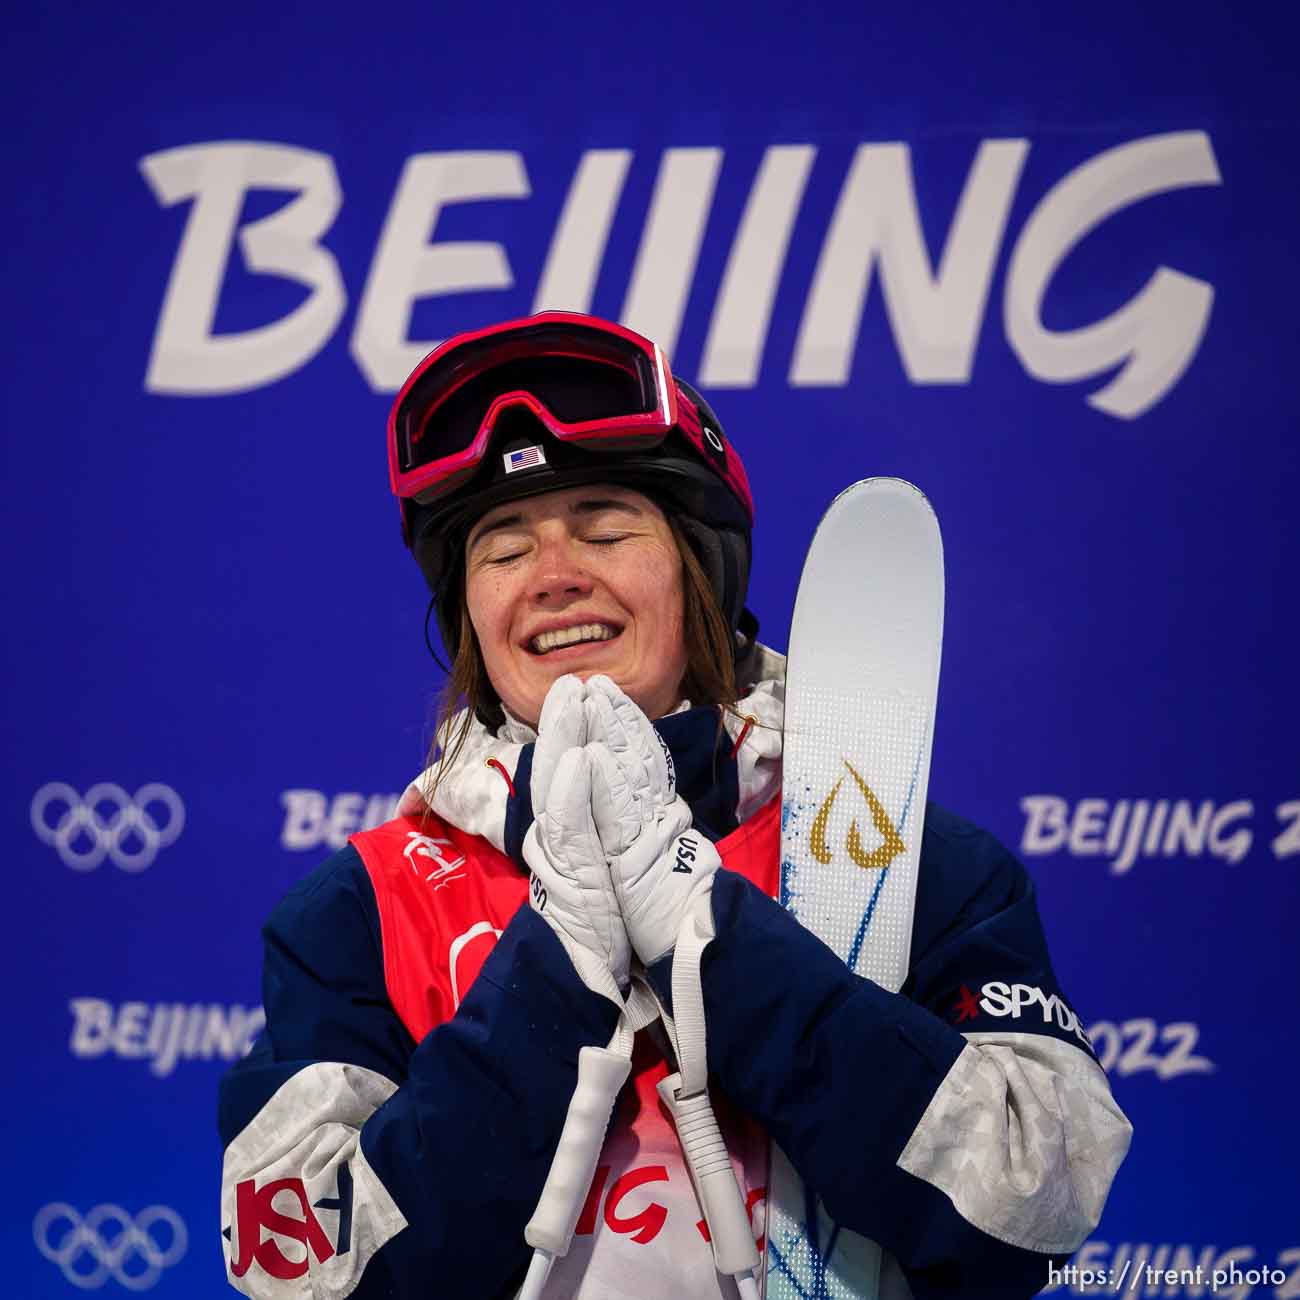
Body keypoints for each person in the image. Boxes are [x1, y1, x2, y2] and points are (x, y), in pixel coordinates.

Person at [218, 311, 1132, 1300]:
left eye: (606, 527)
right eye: (502, 548)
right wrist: (553, 966)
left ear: (702, 572)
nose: (556, 575)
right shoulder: (361, 906)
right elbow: (305, 1275)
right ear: (469, 618)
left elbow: (1034, 1209)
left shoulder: (904, 857)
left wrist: (712, 936)